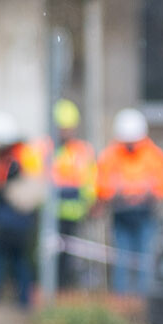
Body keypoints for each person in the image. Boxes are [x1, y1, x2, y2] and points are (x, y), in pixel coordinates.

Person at [96, 109, 163, 296]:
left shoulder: (153, 155)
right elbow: (102, 185)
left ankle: (144, 299)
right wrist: (117, 192)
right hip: (121, 215)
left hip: (145, 214)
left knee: (145, 258)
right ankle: (121, 300)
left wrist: (147, 191)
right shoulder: (111, 155)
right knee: (121, 259)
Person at [0, 111, 46, 308]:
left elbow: (30, 190)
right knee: (12, 259)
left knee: (9, 259)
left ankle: (3, 298)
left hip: (16, 217)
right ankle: (15, 299)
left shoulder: (20, 156)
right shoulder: (9, 156)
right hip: (11, 216)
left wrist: (6, 190)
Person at [50, 98, 97, 290]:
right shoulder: (48, 149)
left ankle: (68, 290)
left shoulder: (82, 150)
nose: (65, 132)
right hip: (52, 215)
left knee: (73, 259)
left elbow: (90, 180)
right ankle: (55, 289)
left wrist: (91, 203)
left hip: (76, 214)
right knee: (54, 258)